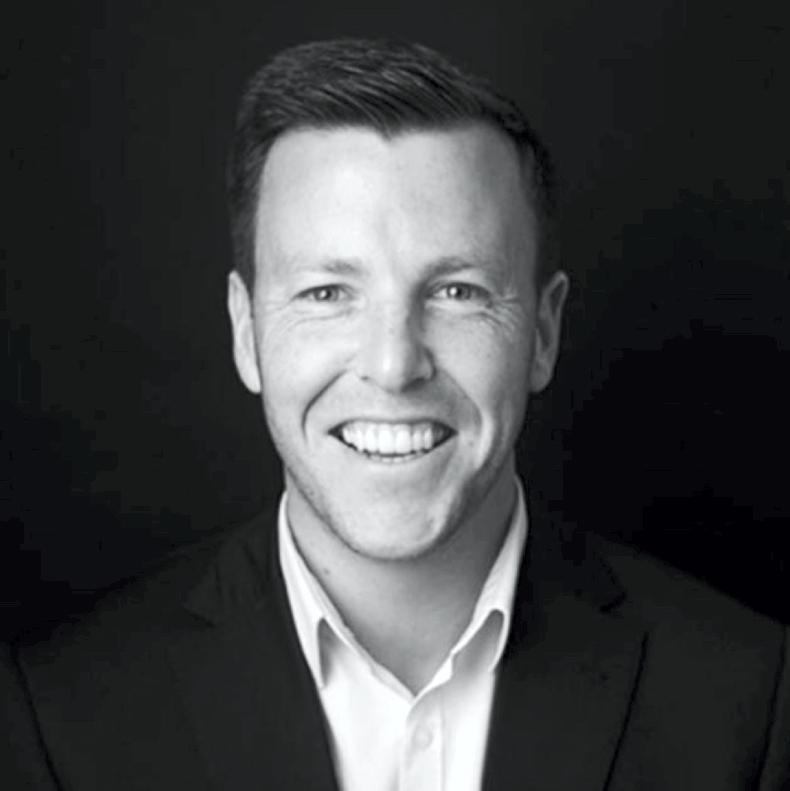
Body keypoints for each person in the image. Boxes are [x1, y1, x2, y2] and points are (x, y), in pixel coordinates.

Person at [2, 38, 788, 790]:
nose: (393, 364)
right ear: (245, 331)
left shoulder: (746, 702)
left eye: (456, 292)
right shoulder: (60, 717)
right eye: (327, 293)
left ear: (544, 333)